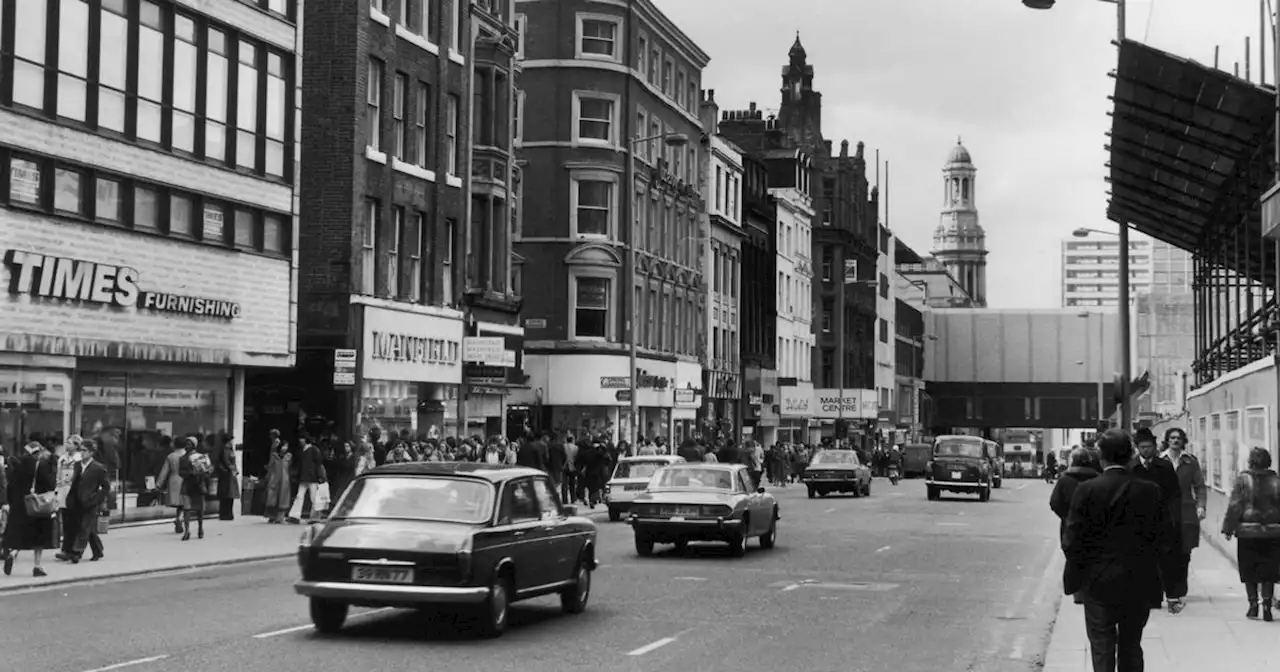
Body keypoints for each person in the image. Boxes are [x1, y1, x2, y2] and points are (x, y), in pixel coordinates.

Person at [1063, 428, 1165, 672]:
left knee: (1101, 644)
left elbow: (1072, 540)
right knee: (1131, 644)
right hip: (1138, 579)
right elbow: (1164, 538)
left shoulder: (1086, 490)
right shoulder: (1150, 490)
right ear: (1130, 455)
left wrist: (1078, 573)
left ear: (1101, 457)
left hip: (1097, 581)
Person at [1221, 446, 1280, 620]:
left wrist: (1228, 528)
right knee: (1269, 570)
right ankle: (1267, 605)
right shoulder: (1276, 480)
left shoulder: (1243, 480)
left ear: (1250, 461)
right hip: (1273, 533)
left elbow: (1235, 505)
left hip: (1248, 532)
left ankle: (1253, 605)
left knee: (1249, 569)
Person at [1130, 427, 1183, 612]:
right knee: (1142, 560)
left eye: (1149, 446)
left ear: (1154, 447)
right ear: (1137, 448)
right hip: (1137, 521)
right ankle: (1148, 597)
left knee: (1164, 560)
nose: (1146, 450)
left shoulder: (1164, 466)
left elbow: (1175, 494)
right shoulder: (1131, 466)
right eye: (1142, 447)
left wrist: (1174, 517)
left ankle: (1168, 595)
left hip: (1161, 519)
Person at [1160, 427, 1206, 613]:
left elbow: (1200, 487)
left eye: (1179, 438)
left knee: (1184, 553)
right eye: (1172, 438)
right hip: (1163, 512)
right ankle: (1166, 588)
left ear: (1183, 441)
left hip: (1185, 512)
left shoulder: (1190, 462)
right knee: (1164, 553)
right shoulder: (1160, 461)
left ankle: (1179, 589)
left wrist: (1201, 506)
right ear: (1167, 440)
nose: (1175, 441)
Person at [1050, 446, 1101, 603]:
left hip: (1070, 526)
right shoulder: (1097, 478)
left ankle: (1078, 593)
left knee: (1073, 557)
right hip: (1095, 525)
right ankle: (1090, 591)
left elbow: (1055, 503)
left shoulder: (1065, 479)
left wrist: (1067, 516)